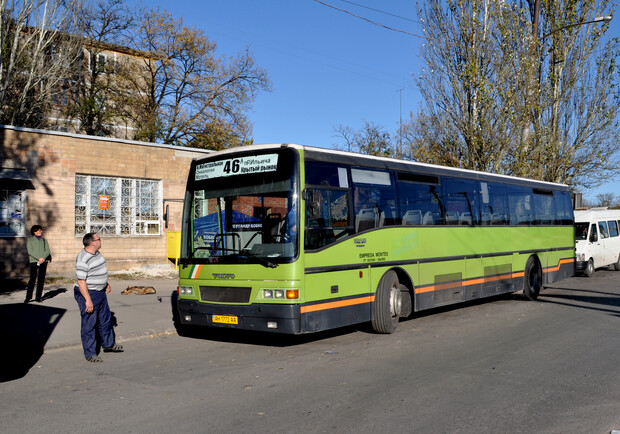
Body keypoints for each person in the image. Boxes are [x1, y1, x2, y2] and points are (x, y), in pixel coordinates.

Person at [74, 232, 123, 363]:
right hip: (87, 292)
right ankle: (90, 353)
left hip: (99, 291)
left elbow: (98, 270)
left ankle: (108, 344)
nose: (101, 241)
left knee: (105, 319)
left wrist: (105, 283)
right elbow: (81, 282)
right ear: (93, 242)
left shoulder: (96, 253)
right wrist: (88, 300)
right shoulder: (83, 259)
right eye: (99, 239)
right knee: (89, 323)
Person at [25, 225, 51, 303]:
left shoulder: (44, 240)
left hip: (43, 261)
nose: (41, 232)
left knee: (41, 280)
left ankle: (38, 297)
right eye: (39, 230)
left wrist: (43, 258)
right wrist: (38, 258)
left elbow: (47, 251)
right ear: (34, 231)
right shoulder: (30, 240)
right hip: (34, 261)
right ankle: (28, 297)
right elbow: (30, 251)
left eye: (41, 230)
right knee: (32, 279)